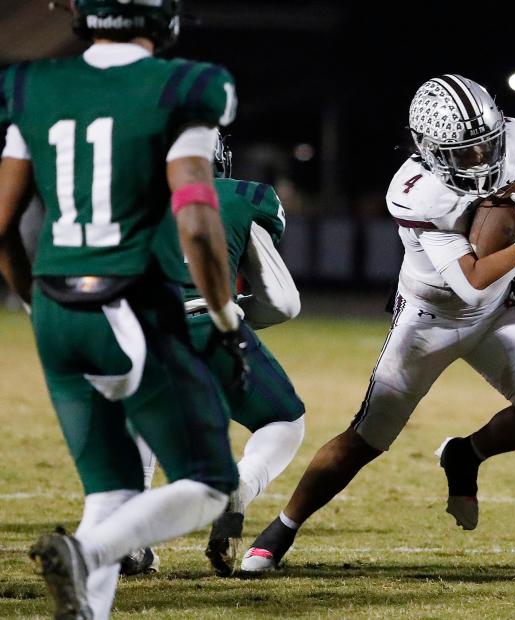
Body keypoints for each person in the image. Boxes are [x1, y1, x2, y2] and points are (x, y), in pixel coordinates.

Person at [241, 74, 515, 572]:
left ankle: (464, 455)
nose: (483, 159)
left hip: (493, 312)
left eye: (488, 144)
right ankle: (282, 529)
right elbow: (468, 281)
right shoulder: (420, 194)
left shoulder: (512, 147)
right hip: (429, 319)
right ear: (431, 151)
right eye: (466, 152)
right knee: (369, 436)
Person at [0, 1, 243, 616]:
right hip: (128, 300)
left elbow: (1, 226)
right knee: (211, 482)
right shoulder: (187, 86)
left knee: (111, 488)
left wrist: (32, 302)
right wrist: (223, 316)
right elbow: (195, 216)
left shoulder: (32, 83)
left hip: (56, 306)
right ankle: (85, 553)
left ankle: (88, 592)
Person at [123, 135, 306, 578]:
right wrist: (237, 313)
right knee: (283, 421)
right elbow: (283, 302)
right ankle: (240, 486)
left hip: (138, 334)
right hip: (211, 327)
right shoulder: (242, 197)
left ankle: (129, 538)